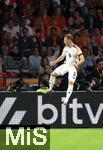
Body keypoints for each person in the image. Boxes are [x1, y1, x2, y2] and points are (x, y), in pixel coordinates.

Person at [45, 34, 85, 105]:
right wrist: (54, 62)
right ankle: (50, 89)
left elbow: (82, 59)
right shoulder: (66, 48)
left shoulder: (76, 48)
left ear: (69, 40)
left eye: (65, 40)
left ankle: (66, 100)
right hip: (66, 65)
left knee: (71, 83)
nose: (64, 41)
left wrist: (77, 64)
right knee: (53, 74)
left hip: (73, 67)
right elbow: (62, 57)